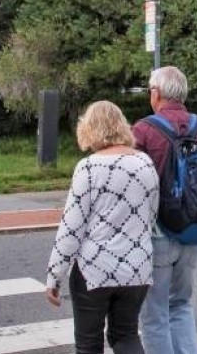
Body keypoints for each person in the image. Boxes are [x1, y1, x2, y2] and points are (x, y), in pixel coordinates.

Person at [45, 100, 161, 354]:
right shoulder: (145, 163)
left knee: (89, 345)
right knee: (126, 335)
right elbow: (151, 215)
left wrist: (55, 275)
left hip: (94, 270)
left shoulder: (88, 168)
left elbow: (71, 228)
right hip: (136, 267)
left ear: (89, 129)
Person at [132, 66, 197, 354]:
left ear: (157, 93)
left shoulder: (144, 130)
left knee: (155, 313)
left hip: (158, 234)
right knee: (182, 304)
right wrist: (195, 208)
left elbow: (134, 184)